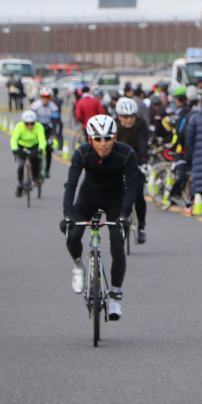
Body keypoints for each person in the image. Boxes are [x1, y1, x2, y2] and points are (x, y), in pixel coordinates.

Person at [61, 115, 141, 321]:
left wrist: (124, 214)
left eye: (107, 138)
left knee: (117, 243)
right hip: (89, 196)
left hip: (115, 199)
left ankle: (115, 296)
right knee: (73, 233)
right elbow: (71, 185)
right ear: (90, 139)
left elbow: (132, 186)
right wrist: (68, 214)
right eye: (98, 139)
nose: (103, 144)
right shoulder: (82, 153)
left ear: (114, 137)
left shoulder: (126, 154)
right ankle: (79, 266)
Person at [113, 97, 148, 242]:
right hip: (118, 161)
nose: (129, 120)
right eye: (126, 117)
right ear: (119, 116)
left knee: (139, 194)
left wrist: (144, 162)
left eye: (132, 116)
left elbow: (143, 144)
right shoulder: (113, 126)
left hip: (136, 160)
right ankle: (117, 222)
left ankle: (141, 227)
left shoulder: (141, 124)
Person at [10, 110, 47, 197]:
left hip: (34, 145)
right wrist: (14, 149)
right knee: (20, 166)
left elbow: (42, 140)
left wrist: (41, 149)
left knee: (36, 162)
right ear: (24, 123)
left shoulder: (39, 127)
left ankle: (36, 178)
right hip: (22, 146)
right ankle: (20, 184)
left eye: (32, 124)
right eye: (27, 124)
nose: (29, 126)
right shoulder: (19, 127)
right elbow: (14, 139)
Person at [30, 88, 61, 178]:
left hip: (48, 129)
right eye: (43, 97)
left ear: (50, 98)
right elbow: (30, 120)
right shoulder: (35, 106)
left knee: (48, 149)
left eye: (47, 97)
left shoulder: (53, 107)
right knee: (34, 148)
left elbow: (56, 122)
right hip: (37, 128)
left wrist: (54, 134)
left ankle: (47, 170)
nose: (45, 99)